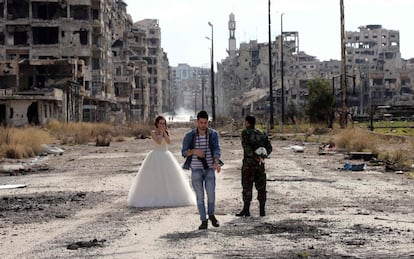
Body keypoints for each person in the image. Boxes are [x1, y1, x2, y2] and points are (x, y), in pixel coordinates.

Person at [127, 115, 196, 208]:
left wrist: (164, 133)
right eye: (160, 123)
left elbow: (168, 142)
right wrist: (161, 132)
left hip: (165, 155)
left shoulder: (166, 132)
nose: (162, 125)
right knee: (153, 177)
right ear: (157, 124)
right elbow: (158, 141)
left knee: (169, 177)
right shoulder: (153, 132)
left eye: (163, 123)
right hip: (155, 155)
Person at [182, 110, 223, 230]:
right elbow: (184, 152)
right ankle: (203, 220)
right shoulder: (190, 136)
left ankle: (211, 215)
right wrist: (194, 151)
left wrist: (216, 162)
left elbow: (216, 149)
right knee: (200, 196)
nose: (203, 125)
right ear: (197, 121)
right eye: (201, 122)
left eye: (205, 123)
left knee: (211, 194)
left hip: (210, 168)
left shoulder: (213, 134)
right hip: (196, 169)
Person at [236, 115, 270, 217]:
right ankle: (262, 211)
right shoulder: (262, 133)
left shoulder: (245, 133)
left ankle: (246, 210)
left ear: (247, 122)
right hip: (260, 164)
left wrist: (255, 156)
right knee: (261, 187)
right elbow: (269, 147)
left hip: (249, 164)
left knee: (247, 186)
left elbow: (247, 148)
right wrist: (262, 156)